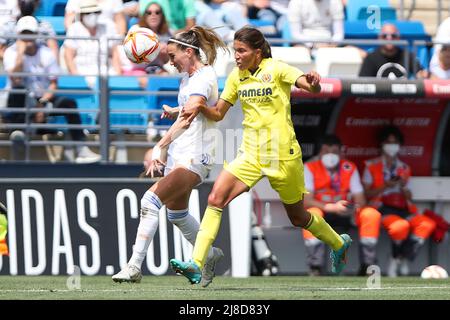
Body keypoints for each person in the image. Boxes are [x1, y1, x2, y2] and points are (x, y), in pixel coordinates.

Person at [170, 26, 352, 285]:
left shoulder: (276, 68)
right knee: (215, 198)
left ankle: (338, 243)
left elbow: (309, 87)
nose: (237, 56)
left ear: (258, 52)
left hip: (283, 156)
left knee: (298, 217)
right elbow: (219, 113)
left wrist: (312, 82)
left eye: (242, 51)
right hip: (251, 154)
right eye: (235, 51)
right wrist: (201, 107)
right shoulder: (236, 77)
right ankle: (196, 264)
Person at [112, 25, 228, 288]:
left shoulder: (203, 77)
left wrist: (160, 145)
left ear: (189, 51)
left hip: (195, 156)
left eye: (173, 56)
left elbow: (190, 117)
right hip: (183, 152)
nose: (170, 61)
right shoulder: (189, 77)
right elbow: (190, 110)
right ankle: (209, 255)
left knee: (150, 201)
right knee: (177, 214)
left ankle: (133, 266)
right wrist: (175, 109)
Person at [3, 16, 101, 163]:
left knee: (69, 104)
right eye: (24, 34)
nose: (27, 38)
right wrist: (20, 55)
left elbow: (53, 84)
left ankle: (81, 149)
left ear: (36, 34)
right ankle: (19, 132)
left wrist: (42, 103)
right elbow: (15, 79)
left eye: (30, 34)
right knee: (18, 91)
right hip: (20, 101)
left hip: (42, 98)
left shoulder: (46, 53)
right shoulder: (11, 52)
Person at [362, 125, 436, 277]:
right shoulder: (371, 166)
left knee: (427, 224)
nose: (392, 146)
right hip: (382, 208)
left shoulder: (404, 168)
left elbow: (409, 196)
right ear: (382, 145)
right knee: (400, 227)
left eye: (395, 142)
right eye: (388, 142)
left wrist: (402, 186)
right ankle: (395, 260)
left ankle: (401, 257)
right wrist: (385, 186)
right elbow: (366, 194)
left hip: (402, 207)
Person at [302, 134, 381, 276]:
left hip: (346, 213)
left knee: (370, 214)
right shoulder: (310, 167)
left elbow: (361, 201)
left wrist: (350, 208)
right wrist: (332, 207)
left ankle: (368, 266)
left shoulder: (348, 167)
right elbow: (306, 201)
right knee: (311, 214)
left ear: (341, 152)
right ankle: (315, 267)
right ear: (320, 152)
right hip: (323, 212)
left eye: (335, 151)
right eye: (326, 151)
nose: (330, 155)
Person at [63, 0, 123, 89]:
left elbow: (115, 54)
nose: (92, 15)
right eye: (88, 13)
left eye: (96, 12)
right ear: (81, 15)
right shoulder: (74, 29)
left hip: (105, 71)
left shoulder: (108, 26)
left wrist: (118, 76)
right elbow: (68, 55)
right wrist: (77, 78)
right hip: (82, 71)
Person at [359, 23, 427, 79]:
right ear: (379, 38)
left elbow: (421, 75)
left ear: (399, 38)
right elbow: (363, 84)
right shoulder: (371, 58)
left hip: (402, 95)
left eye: (393, 36)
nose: (389, 38)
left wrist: (423, 75)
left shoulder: (407, 56)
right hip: (379, 95)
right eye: (384, 36)